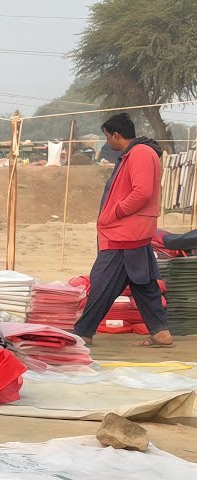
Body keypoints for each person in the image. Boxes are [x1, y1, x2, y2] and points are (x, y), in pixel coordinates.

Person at [73, 113, 172, 348]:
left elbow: (142, 192)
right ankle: (160, 333)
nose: (107, 142)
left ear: (116, 135)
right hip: (133, 232)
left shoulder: (139, 154)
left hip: (125, 233)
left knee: (101, 282)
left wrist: (115, 212)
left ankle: (83, 332)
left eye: (107, 137)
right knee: (143, 284)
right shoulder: (138, 154)